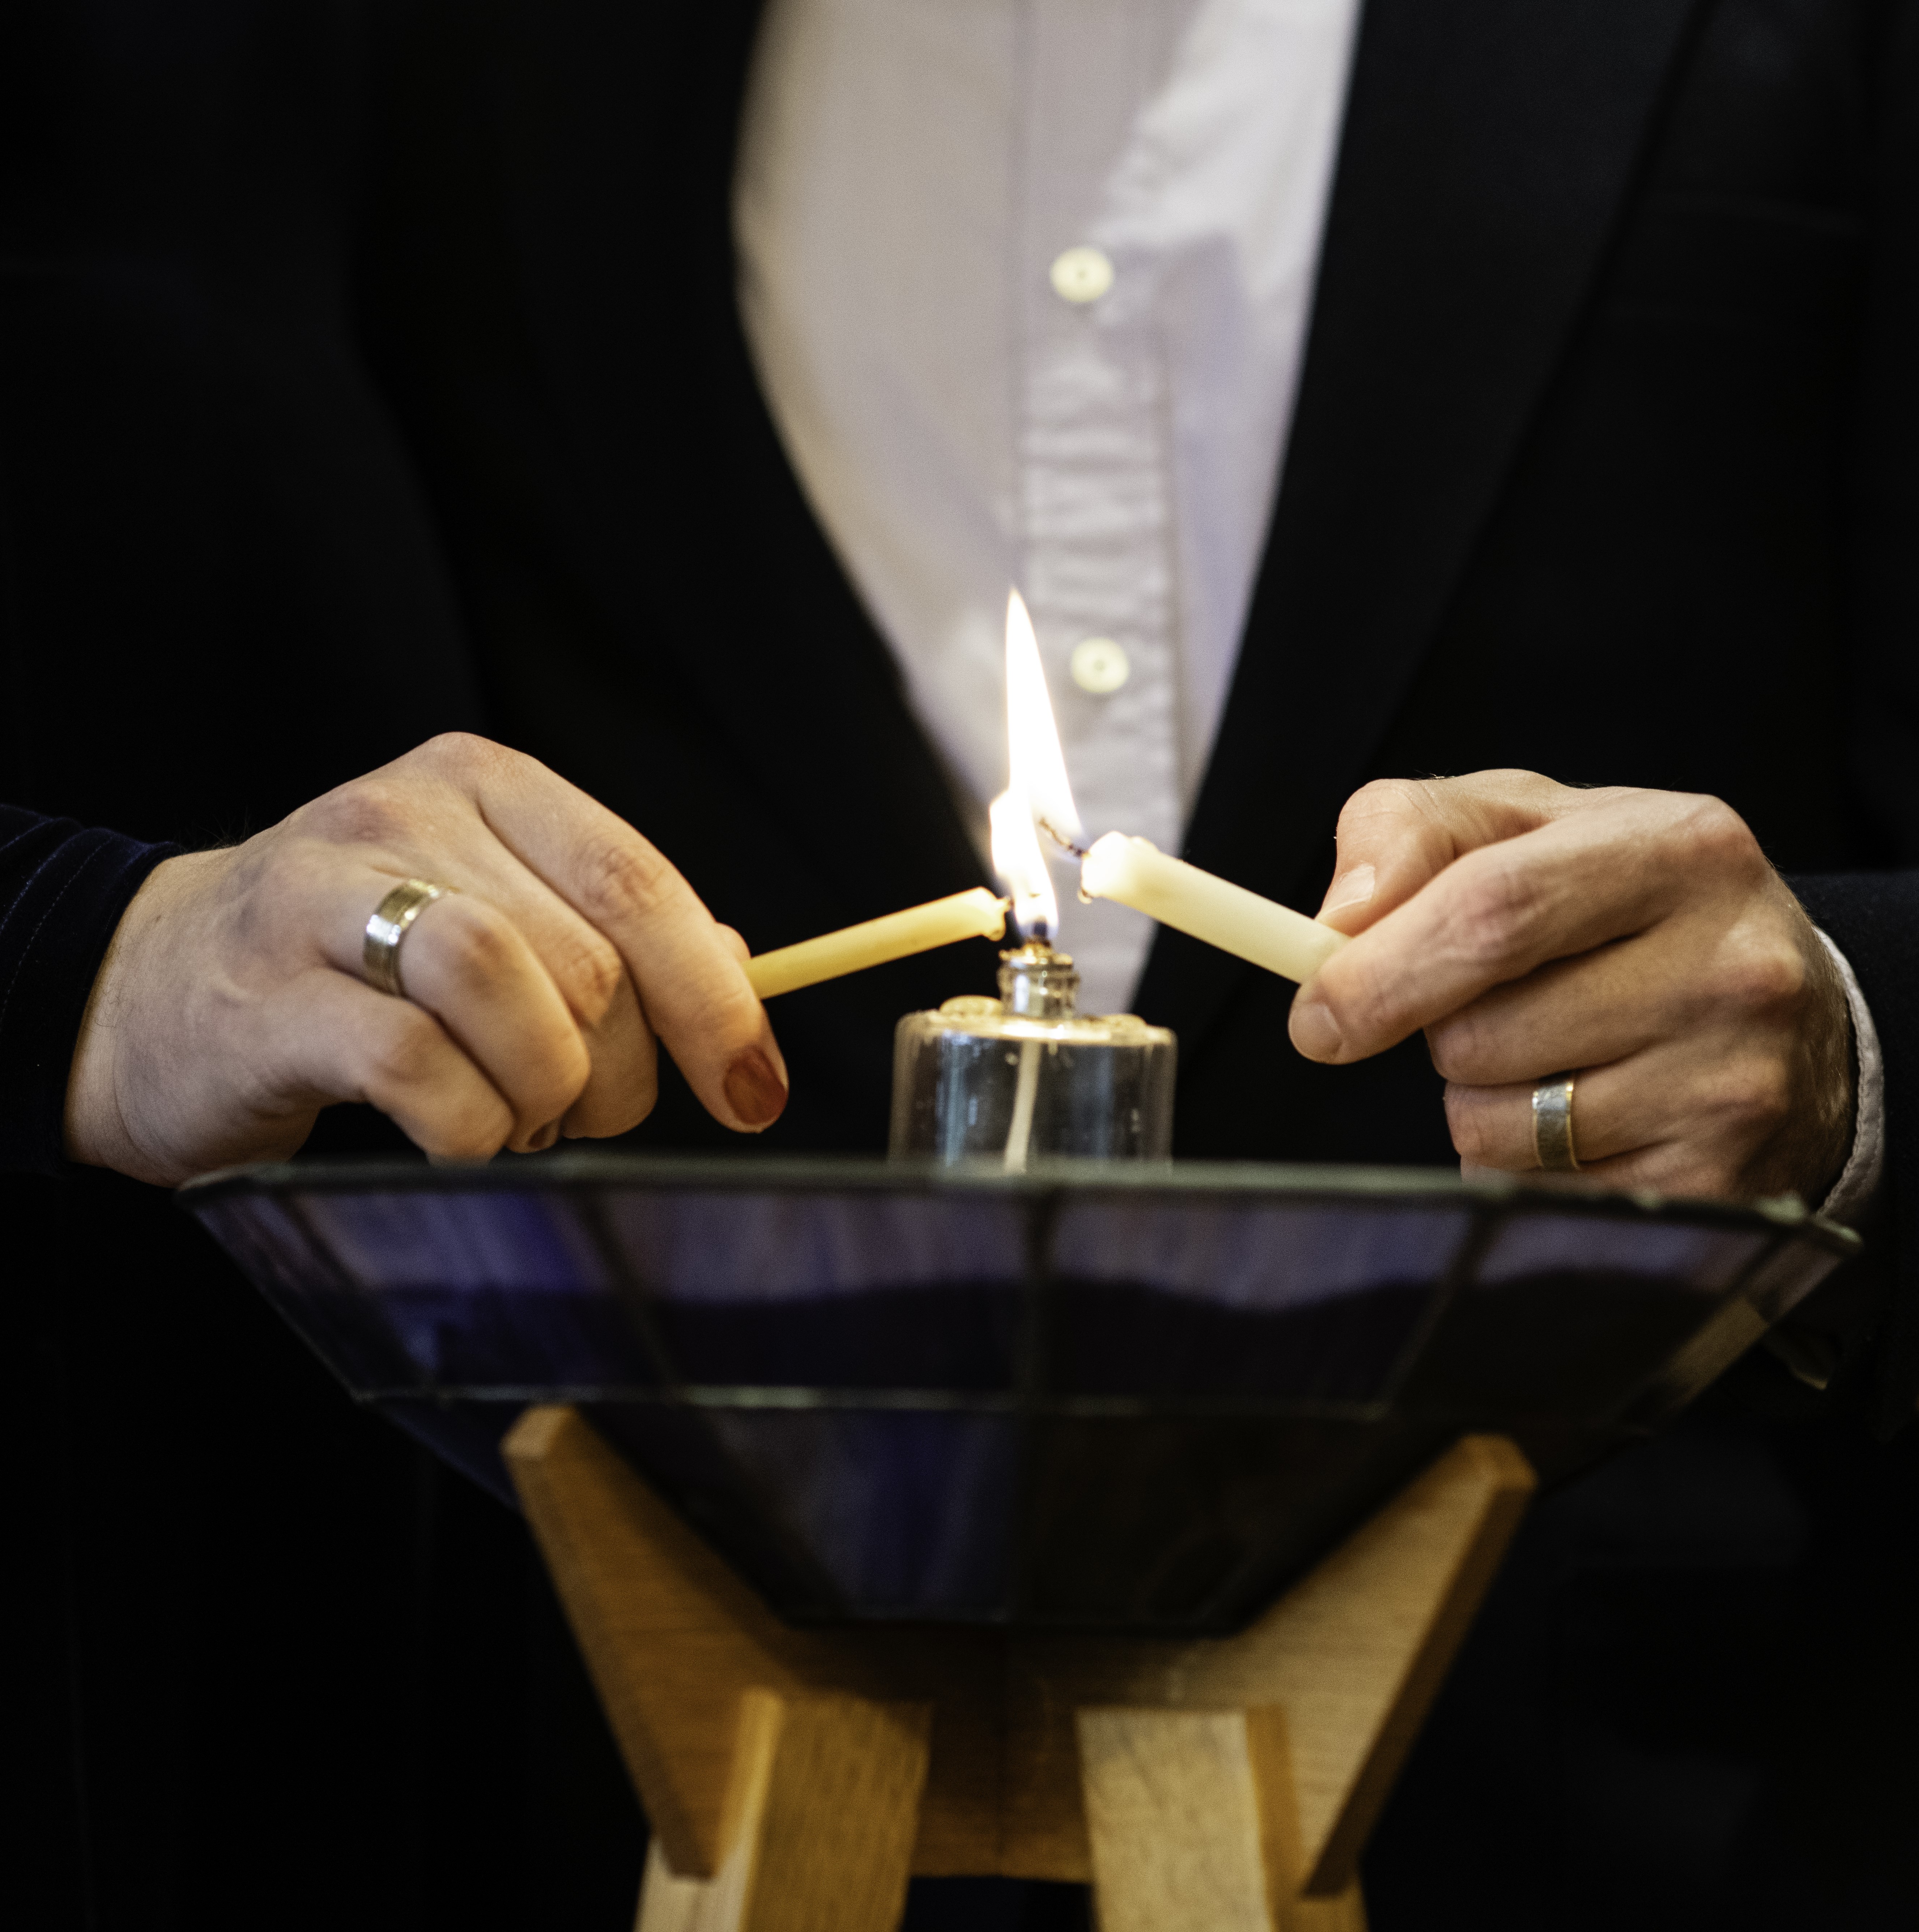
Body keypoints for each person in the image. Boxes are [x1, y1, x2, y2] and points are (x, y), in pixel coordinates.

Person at [6, 0, 1918, 1925]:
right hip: (583, 1792)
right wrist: (107, 949)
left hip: (1604, 1821)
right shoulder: (370, 68)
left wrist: (1851, 1049)